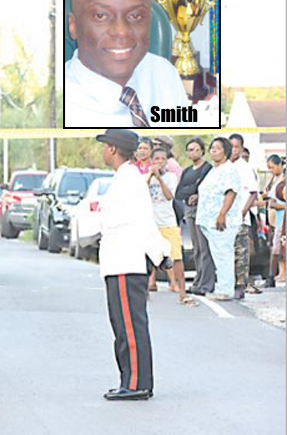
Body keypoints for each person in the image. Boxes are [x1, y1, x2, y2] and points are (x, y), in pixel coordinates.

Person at [64, 0, 187, 127]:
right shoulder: (60, 104)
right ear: (73, 26)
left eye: (135, 16)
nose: (121, 31)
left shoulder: (163, 73)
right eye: (101, 16)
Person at [96, 129, 167, 401]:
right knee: (121, 327)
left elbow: (143, 221)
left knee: (130, 326)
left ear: (113, 149)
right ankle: (130, 380)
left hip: (127, 262)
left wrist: (160, 254)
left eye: (104, 146)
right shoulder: (123, 179)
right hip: (117, 262)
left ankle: (137, 383)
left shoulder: (130, 181)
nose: (102, 151)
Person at [147, 148, 196, 306]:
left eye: (163, 159)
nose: (159, 162)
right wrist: (150, 176)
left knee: (176, 257)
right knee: (148, 258)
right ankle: (146, 289)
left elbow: (169, 196)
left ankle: (182, 292)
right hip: (151, 223)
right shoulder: (146, 177)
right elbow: (140, 193)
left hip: (167, 222)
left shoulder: (170, 177)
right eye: (156, 159)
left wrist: (159, 179)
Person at [196, 137, 242, 301]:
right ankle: (221, 287)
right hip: (209, 220)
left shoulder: (228, 169)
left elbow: (231, 192)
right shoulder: (215, 169)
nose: (213, 151)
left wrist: (222, 214)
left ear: (226, 151)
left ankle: (225, 290)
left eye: (218, 148)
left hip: (221, 220)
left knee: (223, 254)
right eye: (212, 148)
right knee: (218, 254)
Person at [176, 137, 215, 295]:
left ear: (202, 151)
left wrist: (196, 191)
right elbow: (179, 192)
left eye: (195, 149)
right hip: (189, 210)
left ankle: (206, 283)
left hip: (203, 210)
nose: (192, 152)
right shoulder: (186, 171)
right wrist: (193, 189)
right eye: (190, 149)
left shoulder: (207, 168)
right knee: (196, 248)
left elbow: (204, 187)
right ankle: (198, 281)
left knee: (205, 247)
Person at [229, 133, 260, 299]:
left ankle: (240, 284)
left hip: (240, 216)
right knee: (227, 252)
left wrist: (242, 212)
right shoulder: (224, 166)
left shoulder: (244, 167)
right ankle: (228, 282)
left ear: (241, 148)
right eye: (231, 146)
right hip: (225, 216)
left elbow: (253, 193)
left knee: (241, 252)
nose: (233, 150)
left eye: (236, 147)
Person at [263, 156, 285, 287]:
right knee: (277, 247)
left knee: (278, 248)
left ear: (279, 165)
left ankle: (272, 276)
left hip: (282, 218)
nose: (271, 170)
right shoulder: (273, 179)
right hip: (274, 218)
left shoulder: (283, 180)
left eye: (272, 167)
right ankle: (278, 274)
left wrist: (275, 204)